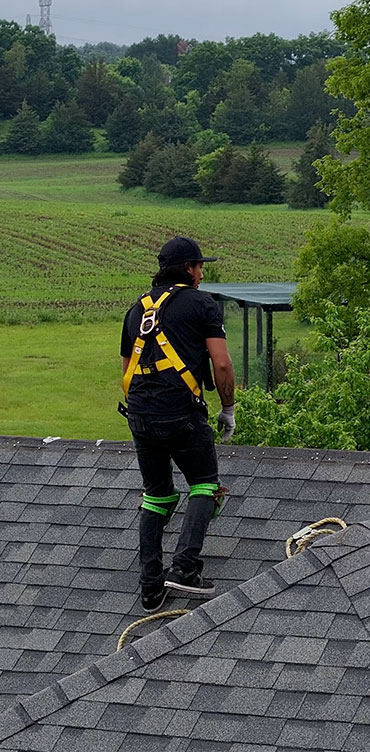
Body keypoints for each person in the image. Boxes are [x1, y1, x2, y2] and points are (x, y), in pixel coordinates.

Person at [120, 236, 236, 613]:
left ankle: (151, 587)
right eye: (200, 266)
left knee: (156, 495)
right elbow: (221, 364)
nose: (203, 273)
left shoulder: (138, 308)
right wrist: (228, 408)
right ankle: (185, 569)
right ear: (188, 268)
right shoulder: (202, 304)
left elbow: (128, 370)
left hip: (139, 413)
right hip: (181, 412)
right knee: (205, 485)